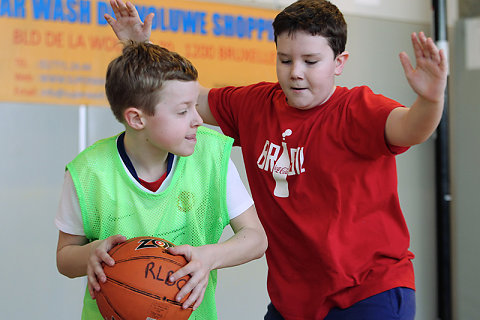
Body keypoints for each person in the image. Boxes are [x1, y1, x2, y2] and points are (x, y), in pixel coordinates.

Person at [105, 0, 448, 319]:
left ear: (339, 63)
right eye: (285, 60)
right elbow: (187, 98)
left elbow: (410, 128)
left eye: (310, 61)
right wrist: (140, 49)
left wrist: (431, 101)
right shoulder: (255, 105)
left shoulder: (357, 110)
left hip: (369, 291)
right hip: (294, 299)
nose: (295, 72)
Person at [55, 41, 268, 320]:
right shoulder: (88, 172)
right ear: (136, 118)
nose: (198, 120)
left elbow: (256, 238)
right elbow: (64, 258)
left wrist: (209, 257)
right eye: (182, 111)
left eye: (196, 106)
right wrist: (91, 254)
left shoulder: (211, 156)